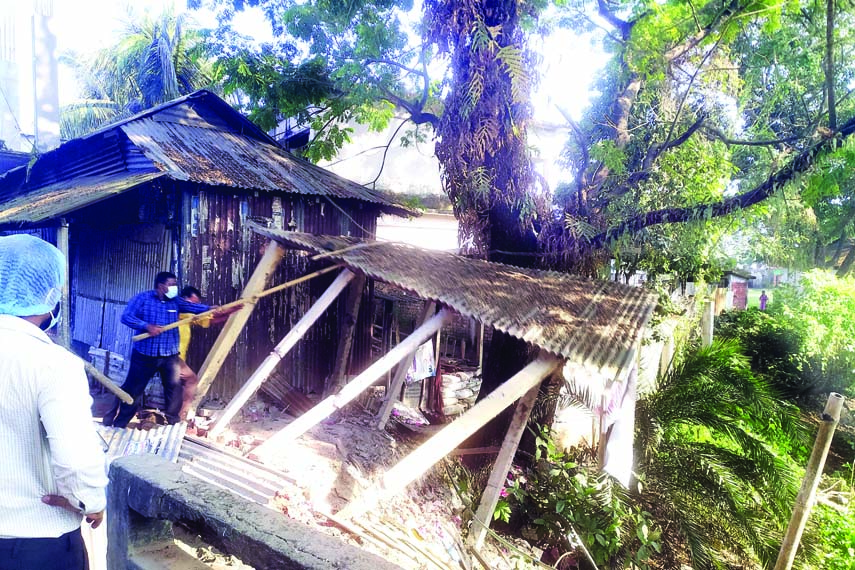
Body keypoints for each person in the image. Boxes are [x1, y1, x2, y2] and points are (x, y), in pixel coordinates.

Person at [0, 234, 107, 570]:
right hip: (33, 543)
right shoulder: (53, 364)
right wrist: (90, 501)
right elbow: (75, 459)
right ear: (50, 294)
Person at [103, 272, 211, 427]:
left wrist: (210, 309)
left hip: (170, 356)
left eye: (175, 284)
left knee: (173, 392)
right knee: (133, 391)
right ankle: (119, 424)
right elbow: (126, 317)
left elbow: (192, 307)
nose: (175, 287)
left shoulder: (175, 301)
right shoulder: (143, 299)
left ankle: (173, 423)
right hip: (145, 355)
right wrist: (146, 326)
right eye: (171, 284)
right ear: (161, 286)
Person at [176, 286, 236, 421]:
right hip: (172, 356)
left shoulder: (189, 315)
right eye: (194, 303)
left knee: (177, 386)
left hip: (178, 356)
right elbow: (209, 315)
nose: (195, 306)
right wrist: (227, 310)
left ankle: (177, 415)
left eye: (197, 304)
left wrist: (229, 313)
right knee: (190, 381)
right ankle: (180, 417)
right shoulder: (181, 310)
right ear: (185, 300)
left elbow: (209, 320)